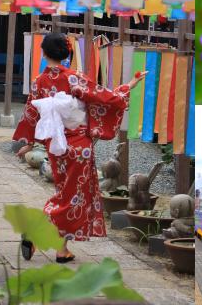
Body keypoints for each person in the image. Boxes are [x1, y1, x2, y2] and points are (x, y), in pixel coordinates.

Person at [13, 32, 146, 263]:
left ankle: (62, 249)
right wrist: (129, 86)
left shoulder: (39, 82)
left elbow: (31, 114)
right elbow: (105, 97)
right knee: (73, 197)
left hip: (56, 146)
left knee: (67, 194)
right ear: (66, 54)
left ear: (44, 53)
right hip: (78, 146)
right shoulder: (74, 78)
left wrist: (28, 143)